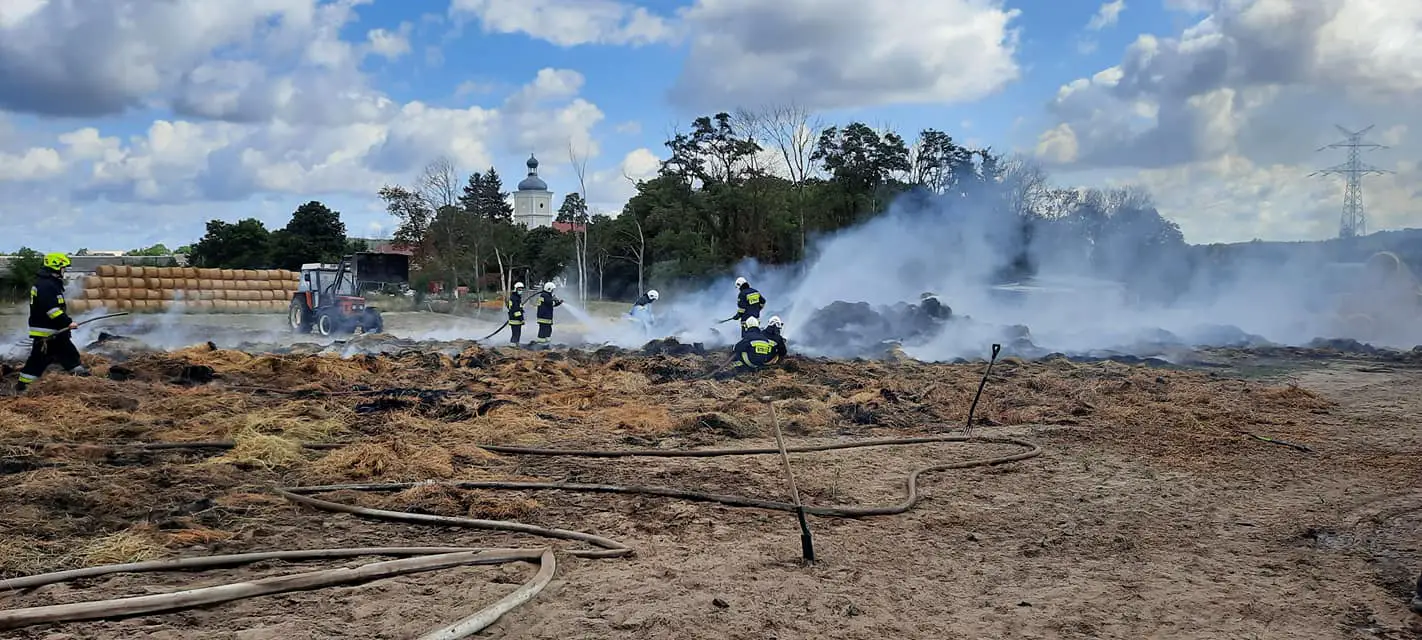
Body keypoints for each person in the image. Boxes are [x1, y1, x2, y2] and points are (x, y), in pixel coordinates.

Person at [15, 253, 89, 394]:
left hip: (53, 331)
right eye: (63, 267)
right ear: (56, 267)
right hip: (47, 332)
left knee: (68, 354)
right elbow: (52, 310)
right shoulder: (47, 286)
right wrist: (68, 322)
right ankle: (23, 386)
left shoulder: (48, 283)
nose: (64, 270)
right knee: (38, 360)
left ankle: (82, 378)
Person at [715, 316, 783, 378]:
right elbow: (781, 352)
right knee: (748, 347)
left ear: (747, 326)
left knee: (740, 350)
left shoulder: (749, 336)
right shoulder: (764, 337)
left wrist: (733, 349)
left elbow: (737, 348)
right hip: (761, 363)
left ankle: (738, 364)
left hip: (751, 364)